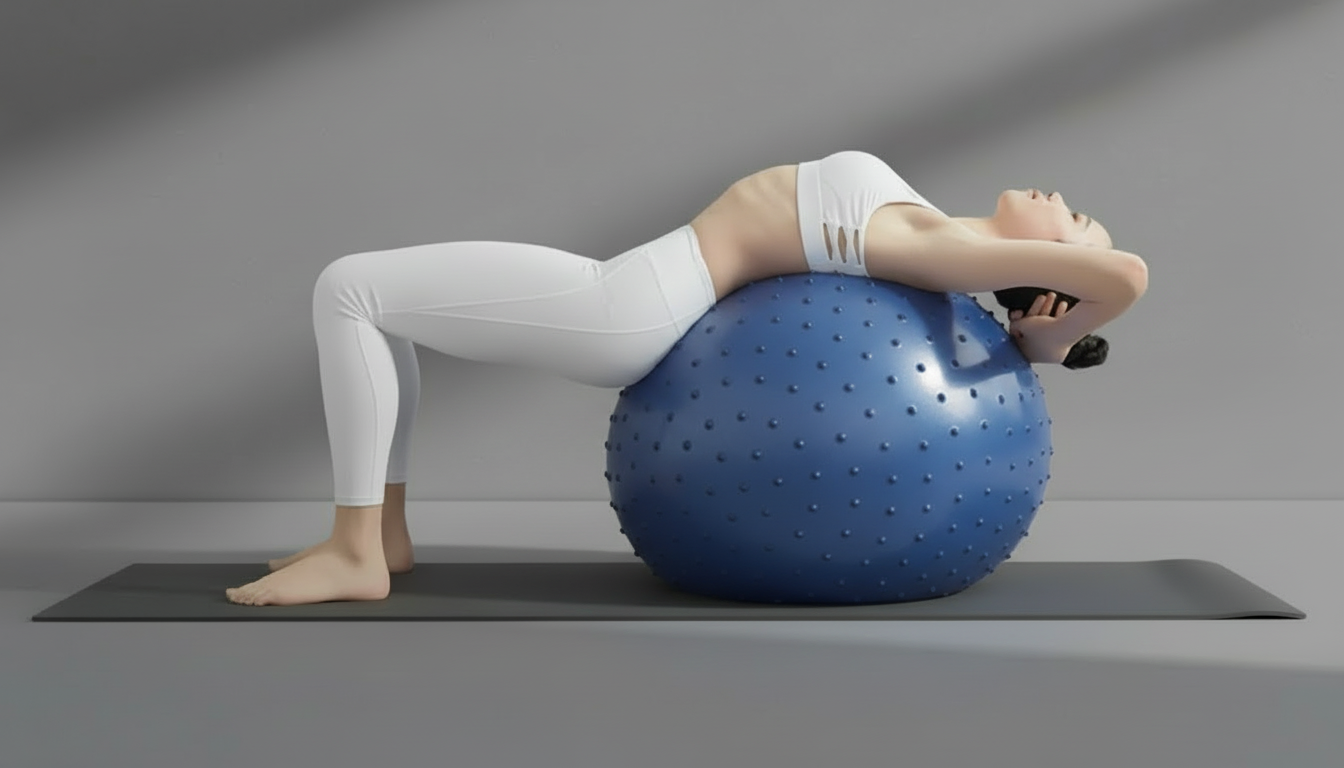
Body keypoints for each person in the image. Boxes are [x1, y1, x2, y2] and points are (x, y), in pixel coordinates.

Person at [224, 150, 1149, 606]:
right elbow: (1098, 279)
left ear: (1055, 269)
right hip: (641, 286)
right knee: (366, 299)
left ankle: (357, 551)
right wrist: (1048, 330)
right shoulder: (936, 229)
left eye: (1078, 225)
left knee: (350, 290)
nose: (1068, 202)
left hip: (630, 306)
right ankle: (378, 538)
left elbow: (1130, 277)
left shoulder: (948, 255)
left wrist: (1056, 335)